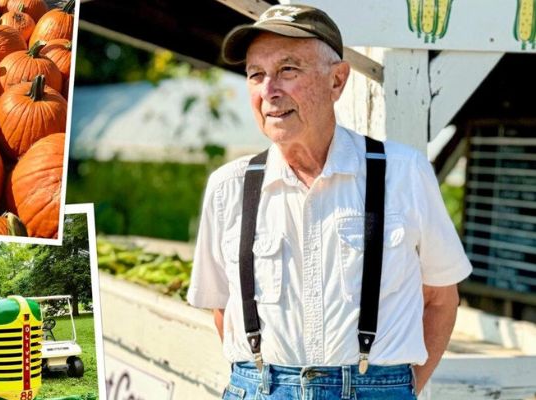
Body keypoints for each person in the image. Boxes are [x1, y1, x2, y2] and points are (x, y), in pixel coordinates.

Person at [187, 4, 472, 399]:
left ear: (337, 80)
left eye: (288, 70)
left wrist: (396, 390)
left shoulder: (405, 173)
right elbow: (222, 310)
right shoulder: (227, 187)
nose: (269, 90)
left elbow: (441, 299)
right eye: (256, 74)